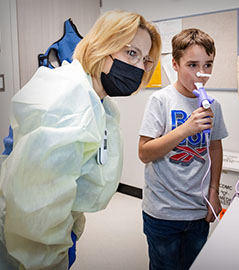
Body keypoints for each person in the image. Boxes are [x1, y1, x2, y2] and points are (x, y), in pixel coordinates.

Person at [0, 10, 161, 270]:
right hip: (24, 250)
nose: (140, 68)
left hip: (61, 227)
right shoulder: (67, 102)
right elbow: (35, 214)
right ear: (101, 46)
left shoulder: (97, 99)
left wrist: (70, 231)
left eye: (145, 60)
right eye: (131, 53)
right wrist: (50, 260)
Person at [138, 28, 228, 270]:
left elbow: (215, 148)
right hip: (163, 213)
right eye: (192, 65)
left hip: (198, 212)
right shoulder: (160, 101)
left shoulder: (213, 106)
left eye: (208, 65)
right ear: (175, 65)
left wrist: (214, 191)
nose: (201, 74)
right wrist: (184, 130)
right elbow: (144, 152)